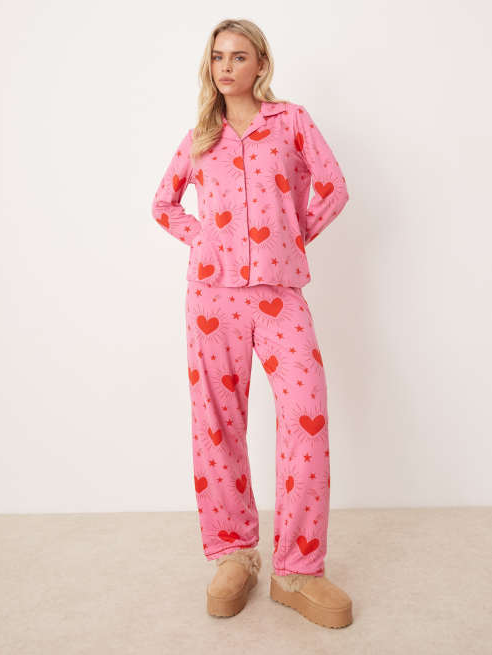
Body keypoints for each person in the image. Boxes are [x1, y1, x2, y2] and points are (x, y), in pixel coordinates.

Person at [151, 18, 353, 629]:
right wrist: (204, 240)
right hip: (212, 299)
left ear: (260, 64)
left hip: (280, 294)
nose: (227, 67)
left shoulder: (290, 121)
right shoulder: (200, 137)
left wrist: (290, 238)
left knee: (306, 415)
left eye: (239, 56)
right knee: (217, 424)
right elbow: (164, 204)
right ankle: (234, 553)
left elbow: (333, 188)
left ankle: (298, 569)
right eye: (218, 57)